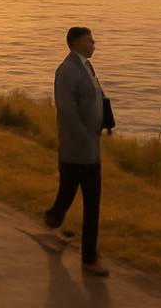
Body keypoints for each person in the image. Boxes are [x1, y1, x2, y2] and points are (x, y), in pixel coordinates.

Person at [44, 26, 110, 277]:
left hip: (90, 150)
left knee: (86, 200)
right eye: (89, 40)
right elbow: (67, 111)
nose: (94, 44)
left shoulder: (86, 67)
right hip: (75, 150)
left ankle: (56, 219)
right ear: (76, 43)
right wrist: (86, 138)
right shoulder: (67, 70)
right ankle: (88, 257)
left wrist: (106, 119)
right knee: (77, 196)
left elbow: (96, 97)